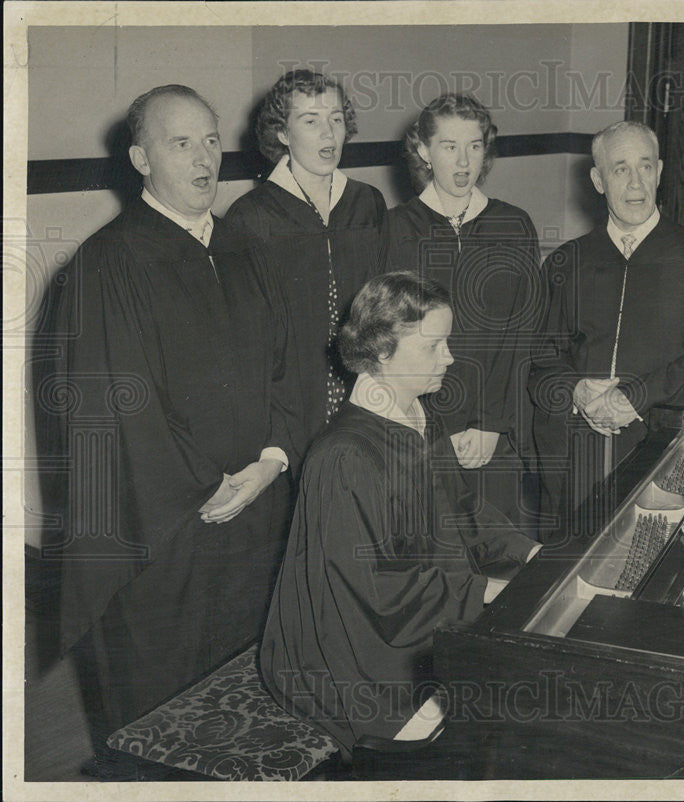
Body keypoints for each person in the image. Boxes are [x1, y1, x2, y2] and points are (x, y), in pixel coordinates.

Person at [35, 85, 300, 775]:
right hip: (165, 536)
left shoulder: (248, 250)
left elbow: (290, 370)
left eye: (211, 139)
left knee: (249, 709)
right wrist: (209, 488)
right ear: (140, 159)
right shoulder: (105, 267)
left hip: (258, 520)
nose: (203, 156)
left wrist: (273, 458)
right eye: (180, 142)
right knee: (164, 730)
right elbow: (114, 412)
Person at [260, 271, 539, 757]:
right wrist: (485, 590)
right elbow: (372, 591)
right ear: (383, 352)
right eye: (435, 346)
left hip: (418, 609)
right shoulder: (345, 456)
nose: (449, 357)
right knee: (477, 733)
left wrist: (534, 555)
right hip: (353, 647)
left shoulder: (419, 418)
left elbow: (466, 510)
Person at [529, 120, 684, 542]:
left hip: (661, 446)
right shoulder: (567, 262)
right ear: (598, 180)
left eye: (645, 167)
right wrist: (574, 389)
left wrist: (634, 396)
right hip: (578, 453)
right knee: (570, 575)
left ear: (660, 172)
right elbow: (539, 361)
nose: (635, 182)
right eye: (620, 169)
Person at [384, 93, 542, 528]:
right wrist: (441, 429)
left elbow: (522, 334)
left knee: (503, 568)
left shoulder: (515, 225)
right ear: (423, 150)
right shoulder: (395, 229)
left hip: (498, 432)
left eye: (474, 146)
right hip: (423, 432)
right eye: (449, 146)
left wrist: (490, 423)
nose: (463, 161)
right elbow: (397, 343)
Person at [226, 69, 387, 453]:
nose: (328, 134)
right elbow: (245, 340)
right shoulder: (251, 217)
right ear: (282, 133)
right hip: (287, 410)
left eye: (336, 119)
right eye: (310, 121)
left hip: (365, 399)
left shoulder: (368, 203)